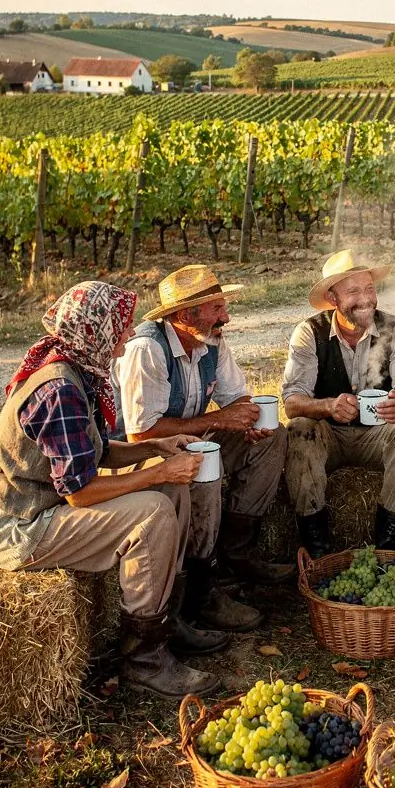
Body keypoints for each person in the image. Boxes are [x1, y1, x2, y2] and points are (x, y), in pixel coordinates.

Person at [0, 281, 219, 698]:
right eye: (121, 330)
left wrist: (157, 447)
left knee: (173, 493)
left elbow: (95, 452)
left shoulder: (77, 371)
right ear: (96, 333)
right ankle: (143, 659)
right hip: (21, 525)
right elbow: (79, 494)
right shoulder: (60, 390)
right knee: (154, 511)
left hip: (47, 503)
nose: (126, 340)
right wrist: (160, 473)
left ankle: (167, 620)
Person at [112, 265, 289, 634]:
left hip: (191, 440)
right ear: (183, 316)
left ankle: (238, 553)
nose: (226, 316)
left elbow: (234, 395)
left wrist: (248, 420)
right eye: (216, 309)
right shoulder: (147, 349)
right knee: (204, 472)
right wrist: (224, 419)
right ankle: (199, 590)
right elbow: (140, 435)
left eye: (223, 306)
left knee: (275, 436)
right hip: (140, 457)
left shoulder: (211, 341)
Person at [282, 250, 395, 556]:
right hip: (329, 436)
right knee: (299, 429)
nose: (367, 299)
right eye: (354, 291)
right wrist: (327, 407)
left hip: (378, 437)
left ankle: (389, 548)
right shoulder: (310, 332)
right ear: (333, 299)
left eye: (370, 289)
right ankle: (318, 552)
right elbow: (292, 402)